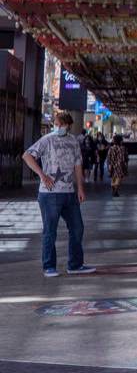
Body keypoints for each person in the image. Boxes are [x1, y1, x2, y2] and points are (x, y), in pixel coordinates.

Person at [21, 111, 95, 277]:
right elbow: (27, 155)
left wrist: (80, 188)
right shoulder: (47, 140)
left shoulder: (74, 141)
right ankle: (49, 266)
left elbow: (77, 165)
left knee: (77, 228)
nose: (58, 127)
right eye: (56, 124)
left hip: (69, 193)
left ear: (68, 125)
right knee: (50, 230)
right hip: (50, 194)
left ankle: (75, 265)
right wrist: (42, 175)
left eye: (61, 124)